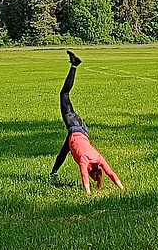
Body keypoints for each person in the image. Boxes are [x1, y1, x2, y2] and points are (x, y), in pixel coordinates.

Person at [51, 50, 124, 194]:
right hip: (76, 127)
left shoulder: (98, 158)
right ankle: (74, 65)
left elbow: (110, 173)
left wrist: (121, 187)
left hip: (82, 129)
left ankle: (74, 65)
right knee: (64, 95)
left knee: (65, 149)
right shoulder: (86, 162)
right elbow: (86, 176)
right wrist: (89, 192)